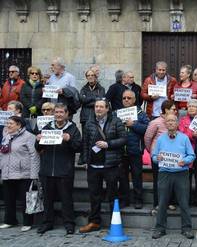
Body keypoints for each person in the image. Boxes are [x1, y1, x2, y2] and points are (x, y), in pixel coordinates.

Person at [79, 98, 127, 233]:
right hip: (93, 166)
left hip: (110, 165)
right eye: (96, 107)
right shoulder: (89, 123)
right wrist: (85, 161)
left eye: (101, 107)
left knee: (112, 195)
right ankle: (94, 222)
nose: (98, 109)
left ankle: (115, 223)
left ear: (107, 109)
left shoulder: (115, 121)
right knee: (94, 196)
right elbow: (86, 144)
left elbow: (124, 139)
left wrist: (109, 144)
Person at [35, 103, 82, 235]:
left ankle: (69, 224)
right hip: (47, 169)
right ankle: (47, 223)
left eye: (61, 112)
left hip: (64, 170)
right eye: (56, 112)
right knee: (47, 199)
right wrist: (38, 140)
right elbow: (38, 148)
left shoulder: (72, 128)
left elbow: (78, 147)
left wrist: (69, 139)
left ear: (67, 114)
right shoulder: (47, 127)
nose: (58, 115)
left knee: (66, 199)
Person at [151, 114, 195, 239]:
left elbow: (191, 155)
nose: (170, 123)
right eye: (168, 121)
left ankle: (186, 228)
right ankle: (160, 228)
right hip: (165, 173)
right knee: (162, 202)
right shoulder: (160, 139)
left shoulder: (184, 138)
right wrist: (157, 158)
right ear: (165, 123)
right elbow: (154, 156)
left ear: (177, 123)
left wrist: (185, 161)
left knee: (184, 202)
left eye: (173, 121)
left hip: (181, 173)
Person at [0, 116, 40, 232]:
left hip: (24, 173)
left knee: (26, 200)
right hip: (7, 172)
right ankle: (9, 220)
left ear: (19, 125)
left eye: (11, 123)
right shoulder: (6, 136)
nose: (8, 125)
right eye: (8, 123)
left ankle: (28, 222)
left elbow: (34, 156)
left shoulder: (29, 137)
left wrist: (34, 174)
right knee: (8, 199)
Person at [144, 100, 177, 214]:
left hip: (172, 157)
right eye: (173, 109)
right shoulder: (156, 122)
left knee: (171, 179)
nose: (175, 111)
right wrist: (152, 151)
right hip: (158, 157)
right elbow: (148, 138)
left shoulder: (175, 121)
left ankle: (170, 202)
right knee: (159, 180)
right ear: (166, 110)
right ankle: (157, 203)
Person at [118, 90, 149, 209]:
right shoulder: (117, 113)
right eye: (124, 98)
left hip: (135, 149)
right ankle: (124, 200)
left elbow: (147, 128)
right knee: (122, 177)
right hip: (121, 150)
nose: (126, 100)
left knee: (137, 176)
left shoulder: (141, 113)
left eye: (129, 98)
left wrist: (133, 125)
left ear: (134, 100)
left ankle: (138, 199)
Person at [178, 99, 197, 209]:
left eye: (194, 106)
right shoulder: (182, 120)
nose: (191, 108)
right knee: (186, 179)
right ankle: (187, 200)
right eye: (189, 106)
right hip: (187, 153)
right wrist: (192, 135)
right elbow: (181, 135)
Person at [79, 69, 106, 164]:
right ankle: (83, 158)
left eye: (92, 75)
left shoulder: (101, 88)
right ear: (86, 77)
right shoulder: (83, 88)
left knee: (96, 137)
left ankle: (94, 156)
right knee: (85, 138)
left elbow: (101, 100)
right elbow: (82, 100)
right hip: (85, 117)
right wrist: (94, 98)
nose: (90, 77)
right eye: (88, 75)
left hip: (97, 116)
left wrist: (88, 99)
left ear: (95, 77)